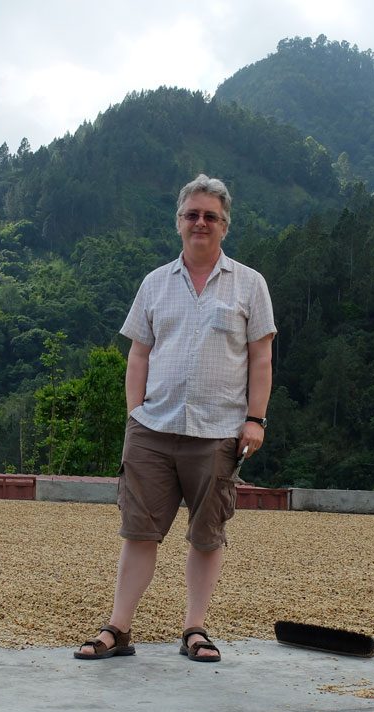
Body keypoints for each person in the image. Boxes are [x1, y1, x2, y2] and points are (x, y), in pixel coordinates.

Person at [75, 174, 276, 663]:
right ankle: (117, 629)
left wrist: (256, 420)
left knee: (207, 535)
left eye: (211, 216)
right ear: (178, 222)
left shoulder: (250, 284)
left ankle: (194, 629)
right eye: (192, 214)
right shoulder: (154, 284)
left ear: (225, 226)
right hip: (152, 429)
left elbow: (262, 358)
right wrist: (134, 414)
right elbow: (138, 354)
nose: (200, 223)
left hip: (217, 433)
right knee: (138, 532)